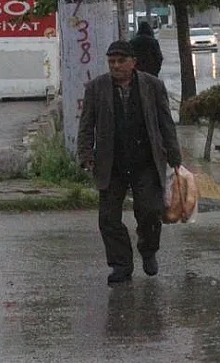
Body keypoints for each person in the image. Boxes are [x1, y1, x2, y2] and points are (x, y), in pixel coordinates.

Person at [78, 40, 182, 285]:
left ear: (133, 62)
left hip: (145, 161)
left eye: (120, 61)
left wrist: (175, 157)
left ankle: (148, 250)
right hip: (111, 162)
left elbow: (166, 123)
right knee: (108, 218)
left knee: (150, 211)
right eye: (111, 62)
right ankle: (121, 265)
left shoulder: (152, 86)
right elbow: (86, 124)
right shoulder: (96, 88)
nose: (115, 66)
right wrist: (85, 155)